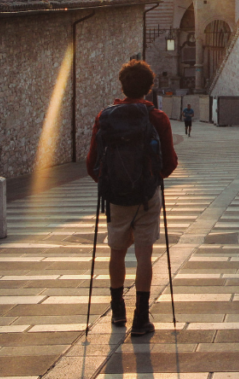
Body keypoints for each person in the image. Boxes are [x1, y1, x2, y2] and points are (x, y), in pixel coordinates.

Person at [86, 60, 178, 336]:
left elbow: (92, 163)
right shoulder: (157, 118)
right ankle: (141, 318)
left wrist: (111, 184)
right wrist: (152, 177)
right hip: (147, 197)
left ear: (122, 85)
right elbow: (170, 162)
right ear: (149, 88)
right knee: (144, 255)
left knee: (116, 251)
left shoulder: (105, 116)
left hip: (115, 198)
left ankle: (117, 311)